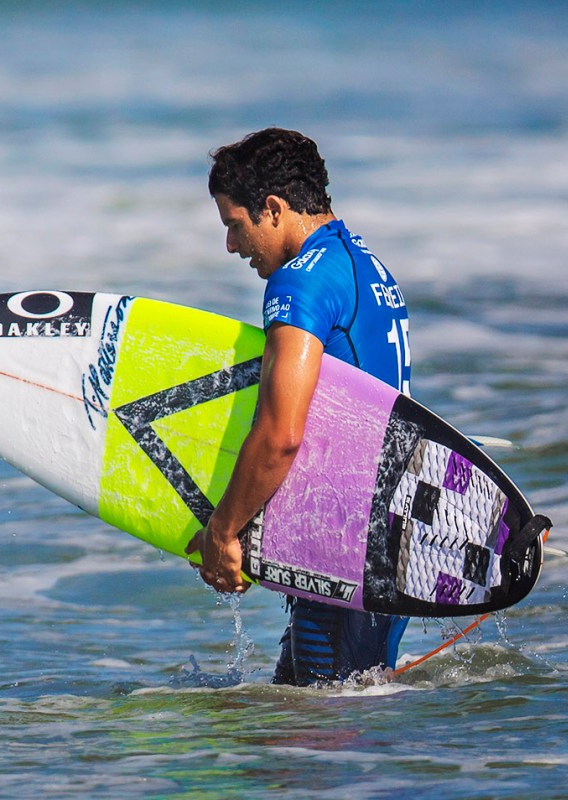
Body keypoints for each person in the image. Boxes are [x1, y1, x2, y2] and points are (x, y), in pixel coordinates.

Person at [184, 128, 411, 686]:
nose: (233, 247)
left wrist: (224, 530)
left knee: (313, 749)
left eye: (235, 227)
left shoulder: (300, 284)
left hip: (340, 551)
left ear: (274, 209)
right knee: (340, 729)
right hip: (385, 547)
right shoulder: (369, 270)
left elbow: (281, 433)